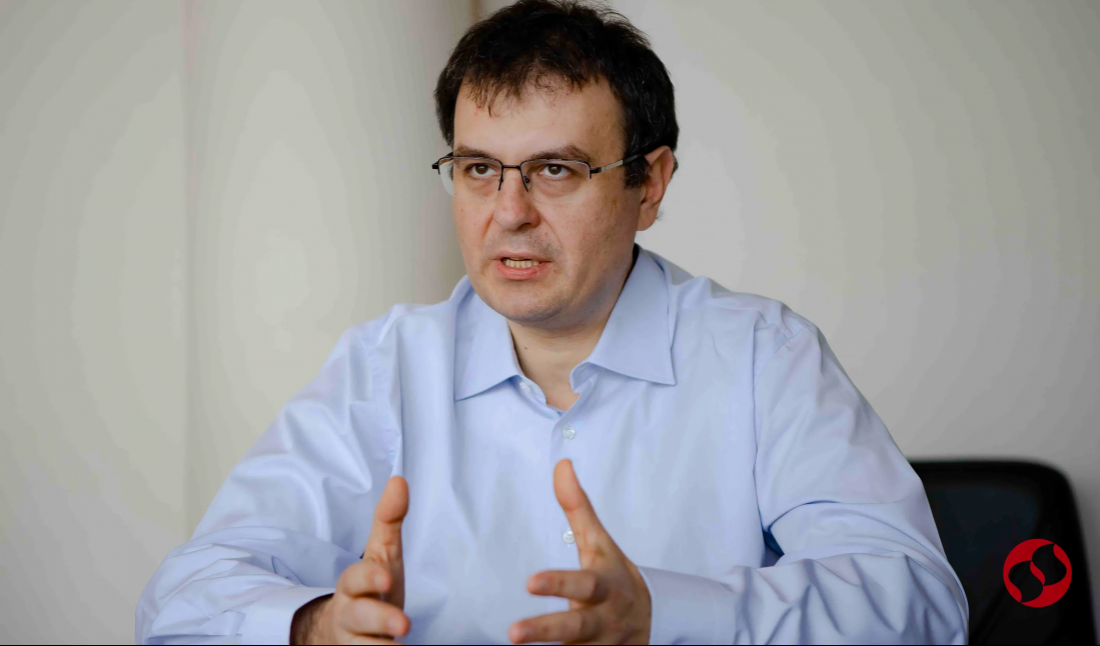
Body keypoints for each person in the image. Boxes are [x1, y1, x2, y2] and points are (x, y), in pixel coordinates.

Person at [136, 1, 969, 643]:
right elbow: (182, 598)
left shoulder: (763, 356)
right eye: (478, 169)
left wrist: (667, 617)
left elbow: (922, 605)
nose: (509, 213)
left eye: (556, 170)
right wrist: (315, 627)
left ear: (649, 184)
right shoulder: (385, 366)